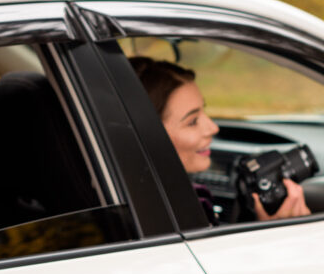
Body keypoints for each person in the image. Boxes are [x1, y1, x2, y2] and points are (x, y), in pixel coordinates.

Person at [129, 56, 310, 221]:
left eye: (204, 111)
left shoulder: (159, 201)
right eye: (192, 121)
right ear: (147, 136)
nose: (213, 128)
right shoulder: (169, 218)